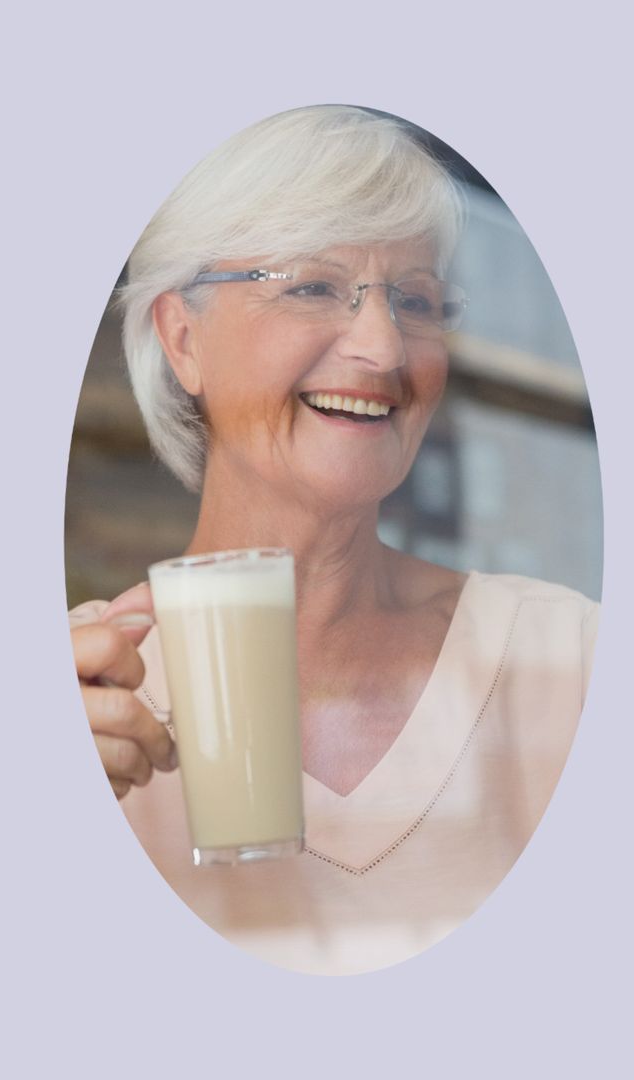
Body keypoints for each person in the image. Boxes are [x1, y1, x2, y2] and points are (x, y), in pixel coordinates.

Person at [70, 105, 598, 975]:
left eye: (415, 301)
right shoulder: (79, 701)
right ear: (183, 339)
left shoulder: (569, 661)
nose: (383, 347)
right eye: (313, 287)